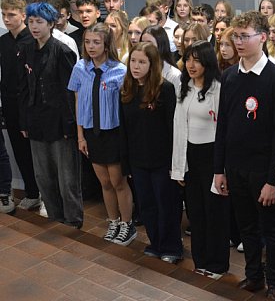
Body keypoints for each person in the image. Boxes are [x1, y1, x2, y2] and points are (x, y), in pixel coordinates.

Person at [213, 11, 275, 301]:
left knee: (271, 228)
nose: (239, 42)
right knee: (246, 226)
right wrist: (219, 169)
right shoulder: (230, 76)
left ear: (263, 37)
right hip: (235, 166)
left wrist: (273, 179)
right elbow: (223, 125)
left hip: (263, 169)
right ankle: (254, 275)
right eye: (236, 36)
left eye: (245, 36)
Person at [68, 23, 136, 246]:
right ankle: (113, 221)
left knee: (118, 182)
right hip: (91, 132)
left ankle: (127, 223)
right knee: (104, 182)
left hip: (113, 133)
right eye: (88, 42)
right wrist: (80, 135)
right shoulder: (80, 68)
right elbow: (78, 102)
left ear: (107, 45)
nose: (91, 47)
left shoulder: (120, 70)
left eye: (96, 42)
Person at [18, 1, 81, 227]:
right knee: (43, 176)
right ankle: (55, 217)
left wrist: (69, 125)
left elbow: (69, 92)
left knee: (67, 178)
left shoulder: (62, 50)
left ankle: (73, 221)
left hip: (60, 121)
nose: (34, 26)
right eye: (31, 22)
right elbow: (24, 88)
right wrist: (24, 121)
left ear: (51, 24)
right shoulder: (26, 49)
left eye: (39, 22)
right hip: (36, 120)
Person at [119, 42, 182, 262]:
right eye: (133, 61)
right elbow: (124, 129)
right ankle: (155, 243)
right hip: (138, 160)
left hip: (161, 160)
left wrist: (174, 163)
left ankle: (171, 247)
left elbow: (172, 128)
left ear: (152, 64)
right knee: (146, 205)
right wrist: (126, 163)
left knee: (166, 205)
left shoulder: (165, 89)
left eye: (142, 62)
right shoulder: (127, 89)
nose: (136, 66)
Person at [171, 40, 229, 276]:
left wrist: (222, 167)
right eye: (188, 59)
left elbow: (224, 130)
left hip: (212, 156)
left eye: (196, 60)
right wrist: (178, 166)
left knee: (214, 212)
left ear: (207, 62)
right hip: (190, 155)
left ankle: (218, 264)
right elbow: (178, 128)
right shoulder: (184, 87)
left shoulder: (218, 88)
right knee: (196, 212)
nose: (191, 65)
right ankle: (201, 261)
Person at [0, 0, 39, 213]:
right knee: (19, 150)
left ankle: (45, 195)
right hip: (10, 103)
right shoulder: (3, 41)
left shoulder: (32, 40)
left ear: (23, 15)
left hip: (30, 104)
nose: (6, 19)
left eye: (11, 14)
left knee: (37, 152)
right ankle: (32, 193)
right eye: (3, 15)